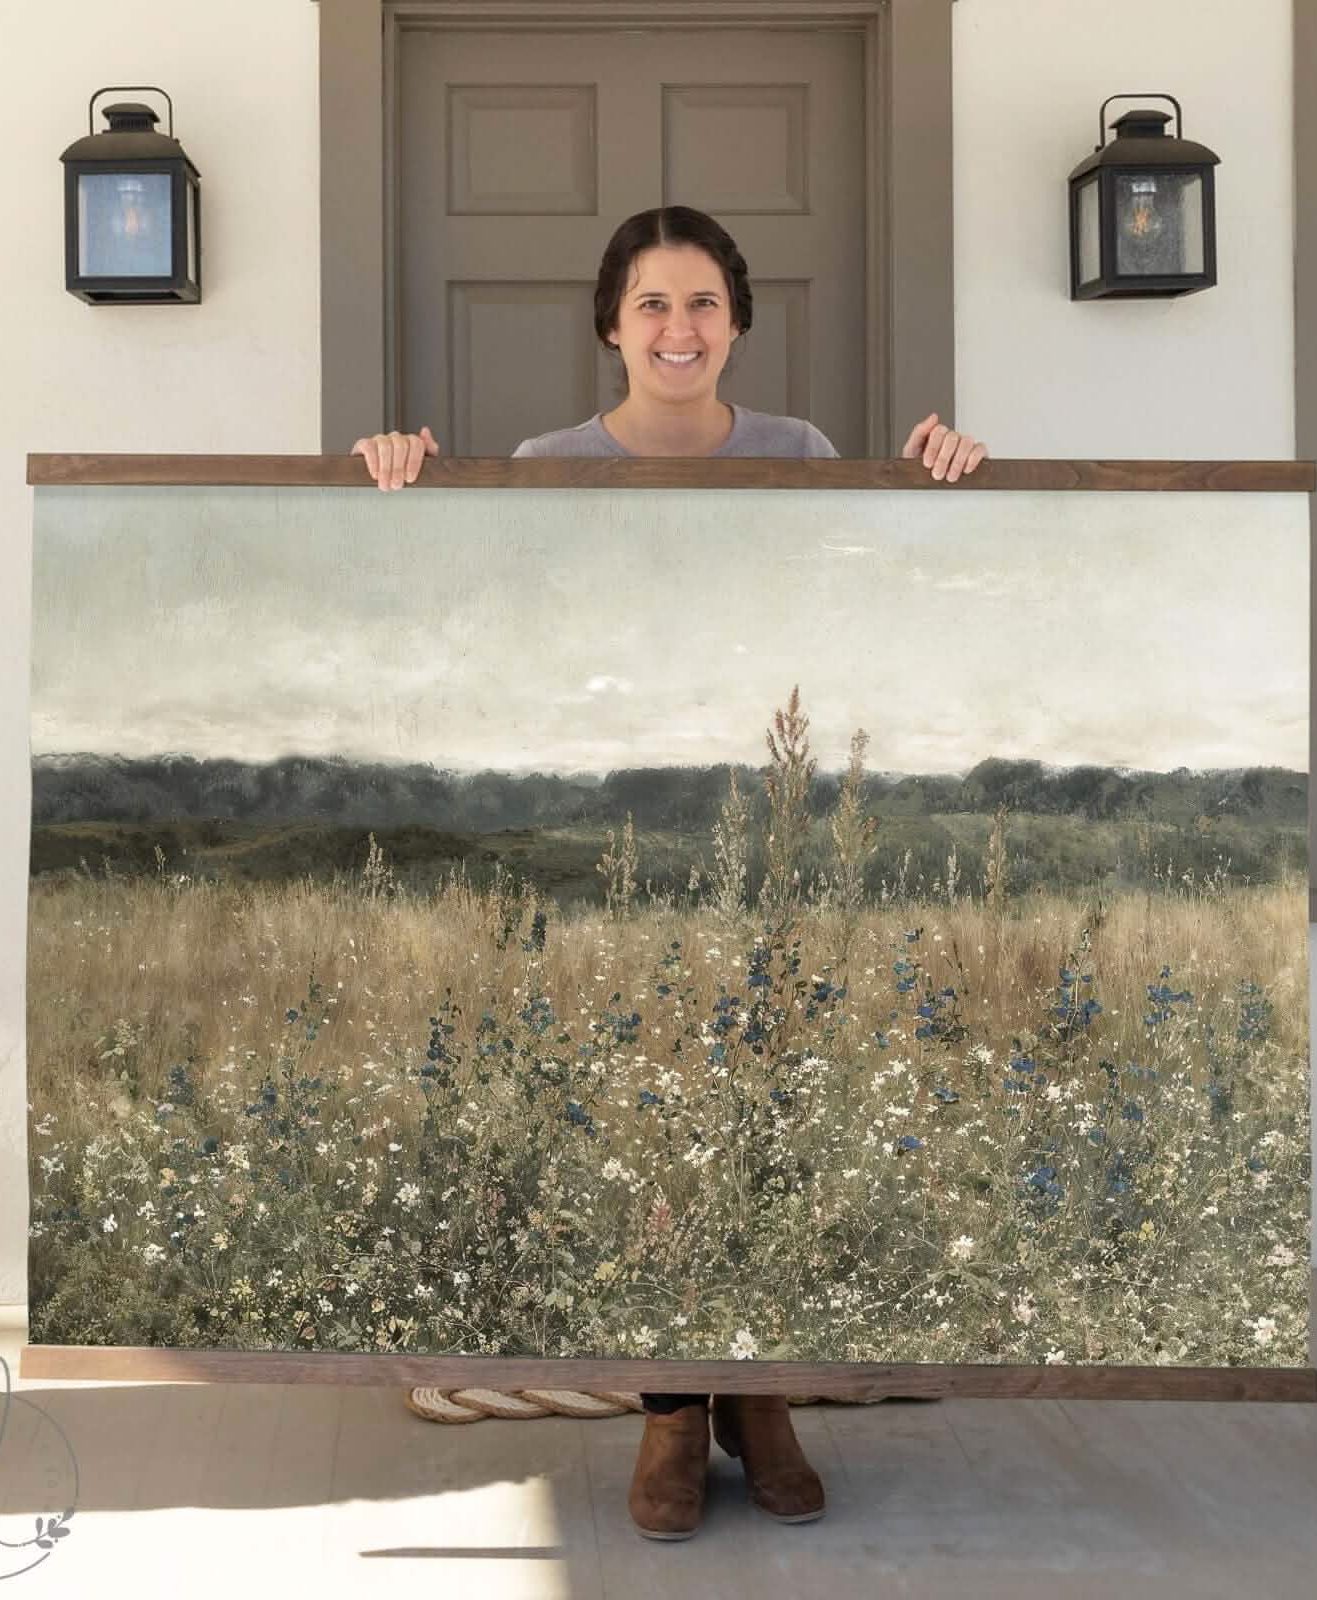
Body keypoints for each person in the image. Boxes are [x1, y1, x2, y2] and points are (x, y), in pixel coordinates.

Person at [353, 204, 988, 1542]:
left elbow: (868, 607)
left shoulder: (803, 457)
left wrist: (940, 482)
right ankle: (670, 1409)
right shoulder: (544, 464)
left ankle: (764, 1397)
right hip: (618, 832)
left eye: (701, 302)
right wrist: (407, 479)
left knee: (767, 1100)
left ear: (738, 322)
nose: (678, 329)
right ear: (610, 325)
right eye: (651, 303)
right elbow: (494, 628)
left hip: (771, 832)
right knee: (645, 1110)